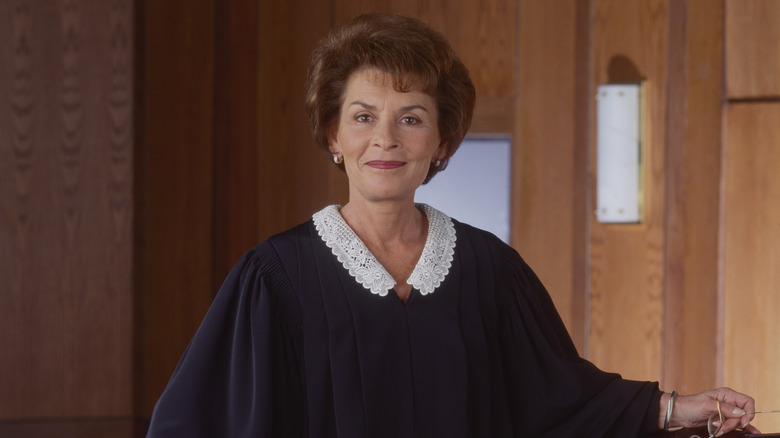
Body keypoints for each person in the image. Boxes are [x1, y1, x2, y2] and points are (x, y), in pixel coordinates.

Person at [146, 13, 760, 437]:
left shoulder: (489, 270)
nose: (384, 139)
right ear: (333, 135)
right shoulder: (274, 279)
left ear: (442, 140)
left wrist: (678, 410)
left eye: (411, 118)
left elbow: (560, 406)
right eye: (362, 116)